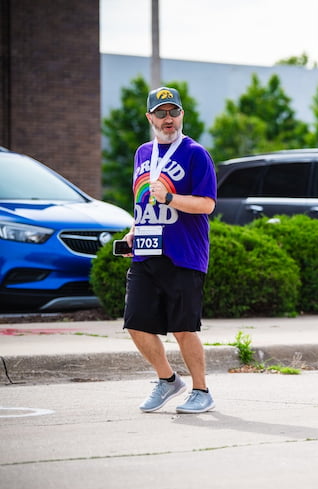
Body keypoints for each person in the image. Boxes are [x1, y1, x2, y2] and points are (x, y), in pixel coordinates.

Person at [117, 86, 218, 414]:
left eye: (173, 111)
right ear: (150, 117)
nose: (168, 118)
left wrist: (171, 199)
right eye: (160, 113)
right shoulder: (142, 153)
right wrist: (135, 229)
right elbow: (141, 198)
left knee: (183, 327)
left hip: (184, 254)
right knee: (135, 323)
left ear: (182, 114)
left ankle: (202, 390)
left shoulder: (195, 153)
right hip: (146, 252)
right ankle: (168, 380)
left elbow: (207, 204)